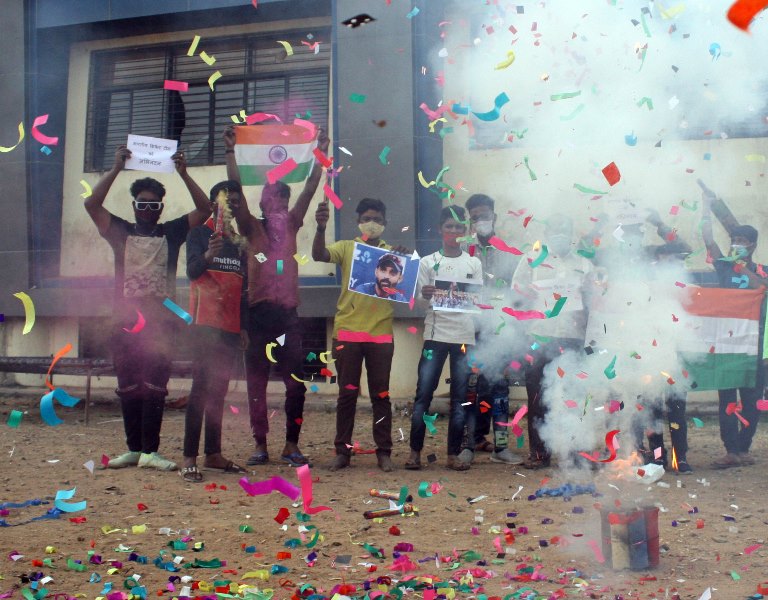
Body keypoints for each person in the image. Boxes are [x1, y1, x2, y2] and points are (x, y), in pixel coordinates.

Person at [84, 145, 210, 471]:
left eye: (154, 204)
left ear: (161, 207)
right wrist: (115, 168)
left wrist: (183, 174)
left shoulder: (173, 230)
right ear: (135, 205)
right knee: (128, 383)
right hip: (124, 320)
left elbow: (205, 208)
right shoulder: (120, 231)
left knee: (155, 384)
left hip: (162, 321)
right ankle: (133, 449)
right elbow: (91, 204)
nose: (148, 209)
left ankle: (150, 451)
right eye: (143, 203)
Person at [224, 125, 329, 467]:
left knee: (295, 384)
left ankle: (290, 445)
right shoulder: (252, 229)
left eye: (283, 199)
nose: (280, 205)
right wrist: (230, 152)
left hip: (288, 316)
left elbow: (311, 186)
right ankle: (260, 445)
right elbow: (234, 190)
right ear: (263, 204)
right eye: (273, 200)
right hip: (258, 317)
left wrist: (321, 151)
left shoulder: (295, 222)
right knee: (256, 385)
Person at [313, 197, 408, 472]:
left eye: (378, 219)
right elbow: (319, 255)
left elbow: (406, 289)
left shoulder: (394, 255)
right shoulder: (346, 248)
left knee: (381, 395)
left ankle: (384, 452)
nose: (373, 223)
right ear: (358, 222)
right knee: (346, 396)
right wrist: (320, 228)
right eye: (367, 218)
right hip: (347, 333)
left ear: (385, 223)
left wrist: (403, 261)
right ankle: (342, 451)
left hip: (380, 334)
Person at [180, 179, 251, 482]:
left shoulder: (238, 242)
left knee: (219, 392)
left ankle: (213, 453)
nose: (231, 205)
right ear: (213, 204)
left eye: (236, 200)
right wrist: (208, 255)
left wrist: (243, 327)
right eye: (225, 199)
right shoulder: (199, 234)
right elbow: (192, 271)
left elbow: (242, 288)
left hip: (230, 328)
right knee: (201, 390)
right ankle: (188, 458)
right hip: (204, 324)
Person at [511, 214, 594, 469]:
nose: (560, 233)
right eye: (555, 228)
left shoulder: (584, 263)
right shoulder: (531, 259)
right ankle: (539, 453)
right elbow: (517, 292)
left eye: (565, 228)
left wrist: (587, 296)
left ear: (572, 233)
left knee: (574, 395)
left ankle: (576, 453)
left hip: (572, 336)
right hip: (539, 335)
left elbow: (593, 301)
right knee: (537, 395)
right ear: (547, 233)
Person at [406, 205, 483, 471]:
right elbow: (416, 305)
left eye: (459, 227)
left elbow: (478, 302)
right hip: (435, 335)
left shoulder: (474, 263)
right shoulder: (428, 262)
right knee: (423, 395)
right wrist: (425, 296)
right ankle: (415, 452)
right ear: (440, 229)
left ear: (466, 231)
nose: (454, 231)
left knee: (460, 397)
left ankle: (453, 453)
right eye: (449, 226)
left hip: (464, 337)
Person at [699, 181, 767, 469]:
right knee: (726, 399)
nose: (735, 244)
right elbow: (707, 240)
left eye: (741, 241)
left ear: (751, 245)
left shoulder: (761, 270)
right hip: (726, 345)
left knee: (751, 402)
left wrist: (746, 270)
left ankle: (744, 448)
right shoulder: (724, 265)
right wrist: (705, 206)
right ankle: (730, 451)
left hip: (754, 347)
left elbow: (763, 288)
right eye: (734, 240)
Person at [463, 193, 523, 465]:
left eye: (485, 216)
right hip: (469, 329)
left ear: (494, 217)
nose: (481, 221)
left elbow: (518, 292)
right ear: (470, 221)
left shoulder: (510, 252)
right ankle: (468, 444)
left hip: (499, 329)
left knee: (499, 387)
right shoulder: (463, 251)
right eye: (475, 217)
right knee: (470, 388)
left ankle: (501, 447)